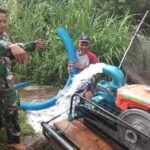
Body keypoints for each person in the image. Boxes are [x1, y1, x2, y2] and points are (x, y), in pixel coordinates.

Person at [0, 8, 46, 150]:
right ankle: (13, 141)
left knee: (11, 107)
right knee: (11, 107)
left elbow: (15, 47)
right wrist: (10, 45)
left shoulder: (6, 35)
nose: (2, 24)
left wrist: (32, 44)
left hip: (5, 79)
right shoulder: (4, 41)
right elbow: (4, 46)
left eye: (4, 21)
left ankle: (9, 136)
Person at [67, 34, 98, 100]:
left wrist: (81, 67)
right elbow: (69, 66)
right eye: (82, 45)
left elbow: (95, 70)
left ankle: (89, 105)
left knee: (89, 83)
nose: (84, 47)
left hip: (88, 78)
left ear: (89, 45)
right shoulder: (73, 55)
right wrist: (69, 70)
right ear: (78, 44)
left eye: (86, 45)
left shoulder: (92, 56)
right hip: (76, 78)